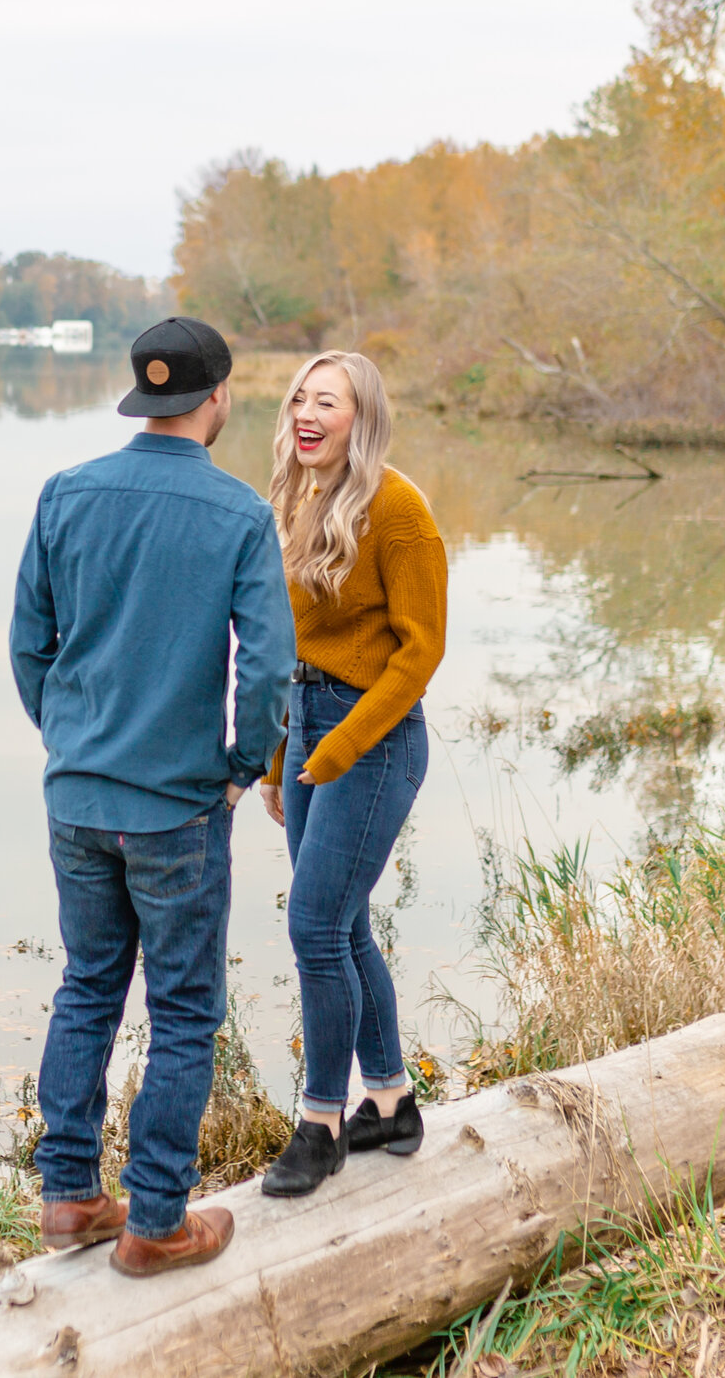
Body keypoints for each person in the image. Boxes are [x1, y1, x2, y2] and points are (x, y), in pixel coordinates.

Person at [10, 315, 294, 1276]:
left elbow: (28, 646)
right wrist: (241, 766)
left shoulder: (66, 493)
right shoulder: (242, 514)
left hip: (78, 796)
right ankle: (157, 1220)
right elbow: (265, 672)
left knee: (87, 986)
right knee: (180, 1012)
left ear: (144, 393)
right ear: (217, 399)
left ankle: (70, 1196)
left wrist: (75, 743)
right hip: (175, 805)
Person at [256, 350, 447, 1198]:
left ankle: (322, 1122)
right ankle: (393, 1099)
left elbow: (421, 651)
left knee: (313, 925)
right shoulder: (298, 497)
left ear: (359, 417)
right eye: (299, 395)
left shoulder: (399, 508)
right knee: (342, 921)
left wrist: (335, 752)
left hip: (375, 738)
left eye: (324, 400)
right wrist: (278, 757)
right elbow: (287, 647)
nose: (305, 410)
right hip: (306, 727)